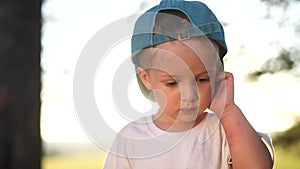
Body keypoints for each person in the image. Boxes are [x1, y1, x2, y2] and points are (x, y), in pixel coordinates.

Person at [103, 0, 274, 168]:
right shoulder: (131, 140)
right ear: (146, 78)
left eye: (202, 79)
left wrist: (228, 111)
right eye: (171, 83)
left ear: (218, 74)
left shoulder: (224, 130)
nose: (190, 95)